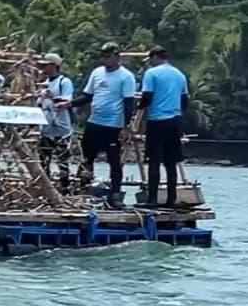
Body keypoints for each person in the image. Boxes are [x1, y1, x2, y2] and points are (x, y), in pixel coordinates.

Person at [60, 42, 137, 208]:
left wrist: (125, 127)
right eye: (102, 56)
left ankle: (115, 194)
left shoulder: (126, 77)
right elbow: (87, 96)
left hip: (113, 125)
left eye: (108, 56)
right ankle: (84, 189)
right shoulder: (97, 73)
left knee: (114, 160)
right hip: (95, 122)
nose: (105, 59)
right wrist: (69, 104)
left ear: (117, 57)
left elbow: (129, 103)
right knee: (87, 158)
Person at [138, 45, 189, 207]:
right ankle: (171, 199)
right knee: (171, 161)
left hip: (157, 120)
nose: (149, 63)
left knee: (154, 160)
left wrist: (138, 109)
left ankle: (152, 199)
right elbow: (185, 101)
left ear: (155, 57)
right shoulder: (180, 75)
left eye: (150, 60)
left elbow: (147, 97)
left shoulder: (151, 73)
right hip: (175, 121)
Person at [35, 53, 75, 190]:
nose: (42, 68)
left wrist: (52, 96)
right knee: (43, 162)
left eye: (45, 65)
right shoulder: (44, 84)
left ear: (54, 66)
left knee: (63, 162)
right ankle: (45, 190)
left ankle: (64, 190)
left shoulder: (64, 82)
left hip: (61, 129)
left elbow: (65, 102)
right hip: (46, 130)